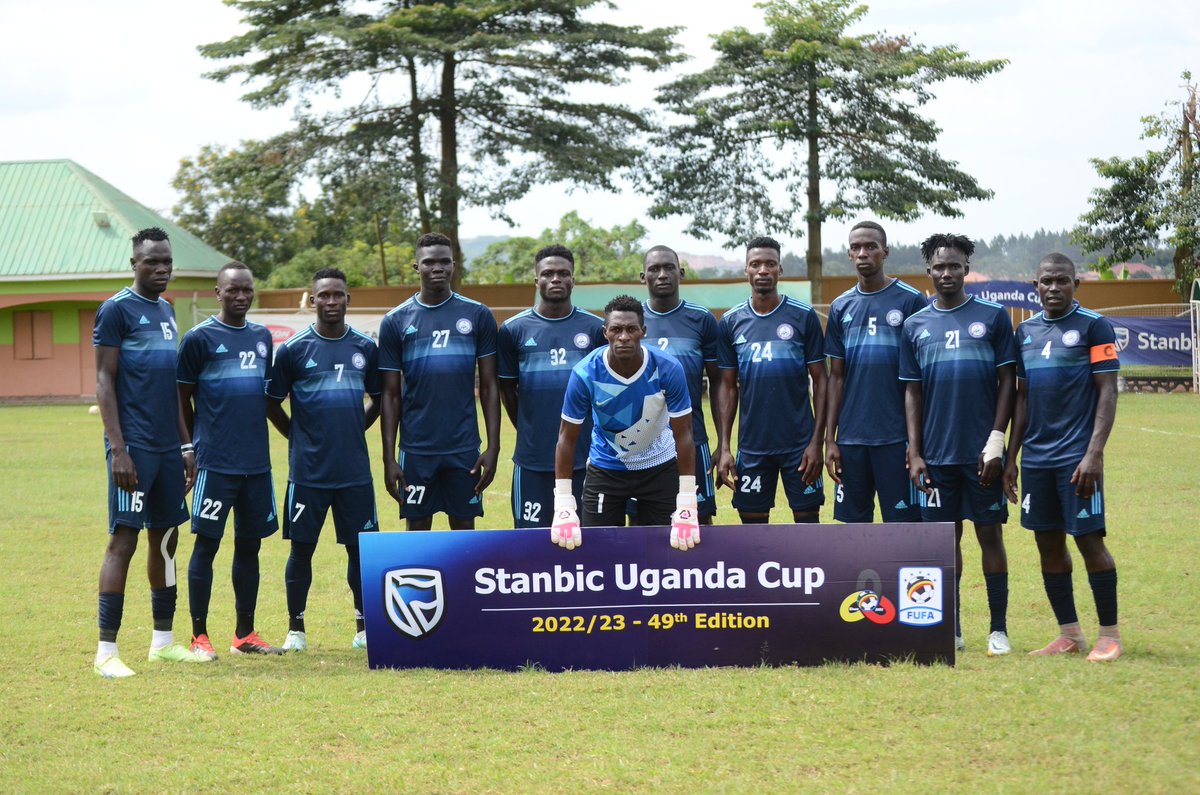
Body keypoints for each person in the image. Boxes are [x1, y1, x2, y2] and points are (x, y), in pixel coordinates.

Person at [92, 227, 204, 678]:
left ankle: (162, 643)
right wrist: (118, 449)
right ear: (134, 263)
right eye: (151, 262)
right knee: (125, 540)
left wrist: (186, 445)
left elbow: (171, 387)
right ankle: (106, 652)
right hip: (133, 448)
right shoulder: (116, 310)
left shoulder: (168, 311)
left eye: (166, 262)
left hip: (166, 448)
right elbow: (103, 381)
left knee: (167, 538)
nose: (161, 269)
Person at [900, 233, 1016, 656]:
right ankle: (951, 628)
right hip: (936, 455)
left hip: (982, 454)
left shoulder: (994, 316)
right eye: (938, 266)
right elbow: (912, 391)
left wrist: (997, 441)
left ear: (966, 269)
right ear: (928, 271)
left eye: (954, 265)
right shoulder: (915, 325)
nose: (946, 272)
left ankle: (998, 630)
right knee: (944, 544)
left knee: (990, 537)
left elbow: (1009, 383)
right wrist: (915, 452)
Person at [1004, 254, 1123, 662]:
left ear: (1077, 284)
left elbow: (1107, 391)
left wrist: (1094, 454)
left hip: (1077, 458)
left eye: (1062, 281)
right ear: (1034, 285)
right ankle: (1069, 634)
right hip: (1037, 460)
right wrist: (1010, 457)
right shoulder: (1026, 331)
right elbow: (1022, 399)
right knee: (1048, 545)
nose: (1054, 288)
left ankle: (1110, 635)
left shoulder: (1093, 326)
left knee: (1089, 541)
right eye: (1046, 281)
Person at [266, 268, 381, 652]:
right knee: (301, 549)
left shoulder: (365, 347)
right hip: (308, 472)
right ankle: (295, 628)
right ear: (312, 300)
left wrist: (353, 429)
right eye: (324, 296)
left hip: (354, 472)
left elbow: (379, 399)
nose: (331, 302)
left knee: (359, 549)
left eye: (338, 295)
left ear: (348, 299)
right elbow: (271, 403)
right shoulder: (293, 350)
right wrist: (295, 435)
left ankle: (364, 626)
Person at [177, 262, 283, 659]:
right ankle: (199, 636)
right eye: (232, 290)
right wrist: (189, 447)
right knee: (206, 546)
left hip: (256, 464)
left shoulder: (261, 337)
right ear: (218, 293)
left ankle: (244, 634)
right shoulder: (199, 339)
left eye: (247, 289)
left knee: (249, 547)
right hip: (215, 464)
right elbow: (180, 397)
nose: (241, 296)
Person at [551, 295, 699, 551]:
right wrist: (563, 503)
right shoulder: (585, 373)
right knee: (598, 552)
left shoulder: (668, 368)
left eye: (631, 329)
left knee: (663, 553)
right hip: (606, 468)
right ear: (605, 332)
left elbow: (684, 434)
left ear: (643, 331)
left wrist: (687, 502)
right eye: (616, 329)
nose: (624, 336)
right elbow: (567, 438)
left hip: (659, 467)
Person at [379, 233, 500, 531]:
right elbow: (391, 395)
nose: (438, 268)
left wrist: (493, 446)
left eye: (445, 261)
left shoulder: (477, 314)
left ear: (454, 265)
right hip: (416, 450)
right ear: (415, 267)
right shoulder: (395, 321)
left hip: (464, 449)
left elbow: (489, 386)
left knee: (464, 534)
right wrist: (389, 457)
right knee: (417, 533)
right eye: (429, 262)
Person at [715, 236, 827, 524]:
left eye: (770, 264)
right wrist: (725, 447)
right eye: (756, 264)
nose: (763, 269)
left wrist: (817, 443)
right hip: (753, 447)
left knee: (807, 528)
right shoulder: (730, 322)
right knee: (753, 531)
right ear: (746, 271)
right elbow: (728, 386)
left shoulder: (803, 317)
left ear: (780, 269)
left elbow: (821, 381)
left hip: (800, 446)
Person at [825, 222, 927, 523]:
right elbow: (836, 377)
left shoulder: (911, 301)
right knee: (852, 530)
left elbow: (920, 381)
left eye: (870, 246)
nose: (863, 253)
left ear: (885, 252)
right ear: (848, 254)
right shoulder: (840, 306)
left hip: (896, 438)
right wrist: (830, 439)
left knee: (904, 528)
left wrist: (916, 443)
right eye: (856, 247)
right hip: (851, 439)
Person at [497, 245, 604, 528]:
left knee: (591, 540)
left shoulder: (596, 329)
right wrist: (530, 427)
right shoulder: (512, 330)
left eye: (563, 273)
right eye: (548, 273)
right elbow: (507, 390)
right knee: (530, 542)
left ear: (573, 279)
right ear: (536, 281)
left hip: (587, 458)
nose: (555, 278)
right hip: (533, 459)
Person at [633, 245, 722, 524]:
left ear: (681, 274)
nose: (662, 274)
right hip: (640, 445)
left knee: (700, 519)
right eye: (654, 269)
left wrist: (723, 443)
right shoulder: (629, 322)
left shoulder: (702, 320)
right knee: (639, 523)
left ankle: (705, 570)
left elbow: (719, 385)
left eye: (669, 268)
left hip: (692, 438)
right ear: (642, 276)